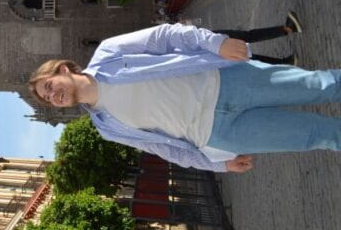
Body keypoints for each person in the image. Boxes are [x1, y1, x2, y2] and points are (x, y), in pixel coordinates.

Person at [28, 23, 341, 173]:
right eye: (48, 98)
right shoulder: (106, 127)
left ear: (64, 68)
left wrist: (216, 43)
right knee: (314, 135)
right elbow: (164, 148)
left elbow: (166, 36)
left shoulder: (109, 53)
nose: (54, 95)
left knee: (320, 84)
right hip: (217, 133)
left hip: (225, 82)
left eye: (50, 85)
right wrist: (219, 165)